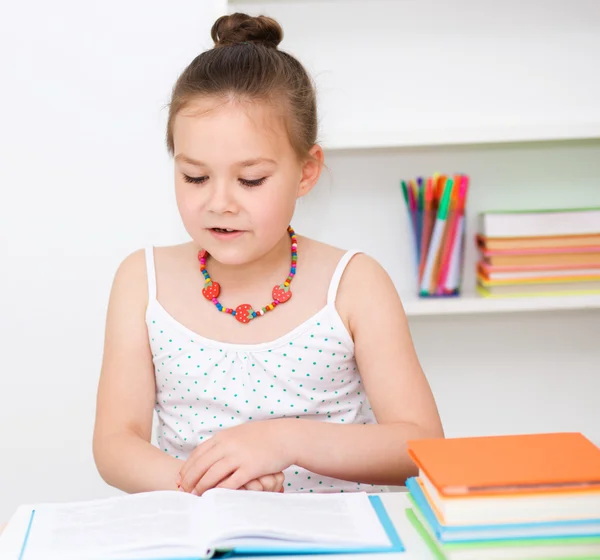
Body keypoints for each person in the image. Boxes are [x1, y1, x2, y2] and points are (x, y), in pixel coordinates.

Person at [92, 12, 444, 497]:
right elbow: (115, 444)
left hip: (341, 541)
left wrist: (285, 439)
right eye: (195, 176)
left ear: (306, 171)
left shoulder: (354, 284)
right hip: (206, 534)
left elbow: (420, 445)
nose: (219, 201)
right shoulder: (142, 281)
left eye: (250, 179)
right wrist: (210, 486)